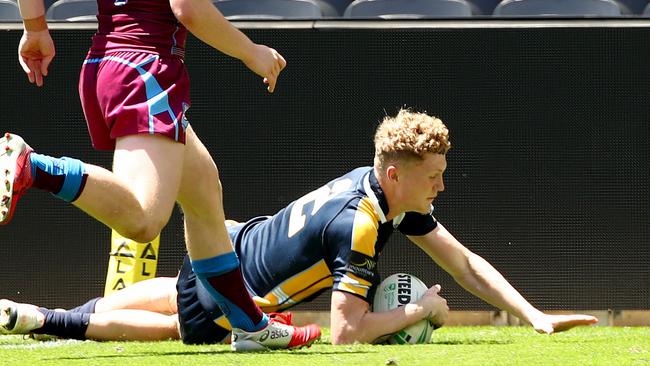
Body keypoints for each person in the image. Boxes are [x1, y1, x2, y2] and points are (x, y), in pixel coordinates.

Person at [0, 109, 599, 344]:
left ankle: (43, 321)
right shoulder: (362, 224)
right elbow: (345, 333)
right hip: (239, 290)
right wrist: (421, 312)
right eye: (435, 174)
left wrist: (534, 315)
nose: (442, 184)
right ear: (396, 173)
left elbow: (463, 260)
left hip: (231, 245)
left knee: (145, 303)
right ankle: (41, 319)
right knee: (176, 328)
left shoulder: (376, 189)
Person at [1, 0, 321, 352]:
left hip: (108, 63)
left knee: (203, 191)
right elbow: (189, 9)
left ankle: (249, 325)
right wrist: (251, 51)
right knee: (143, 219)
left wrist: (35, 28)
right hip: (145, 70)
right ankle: (34, 167)